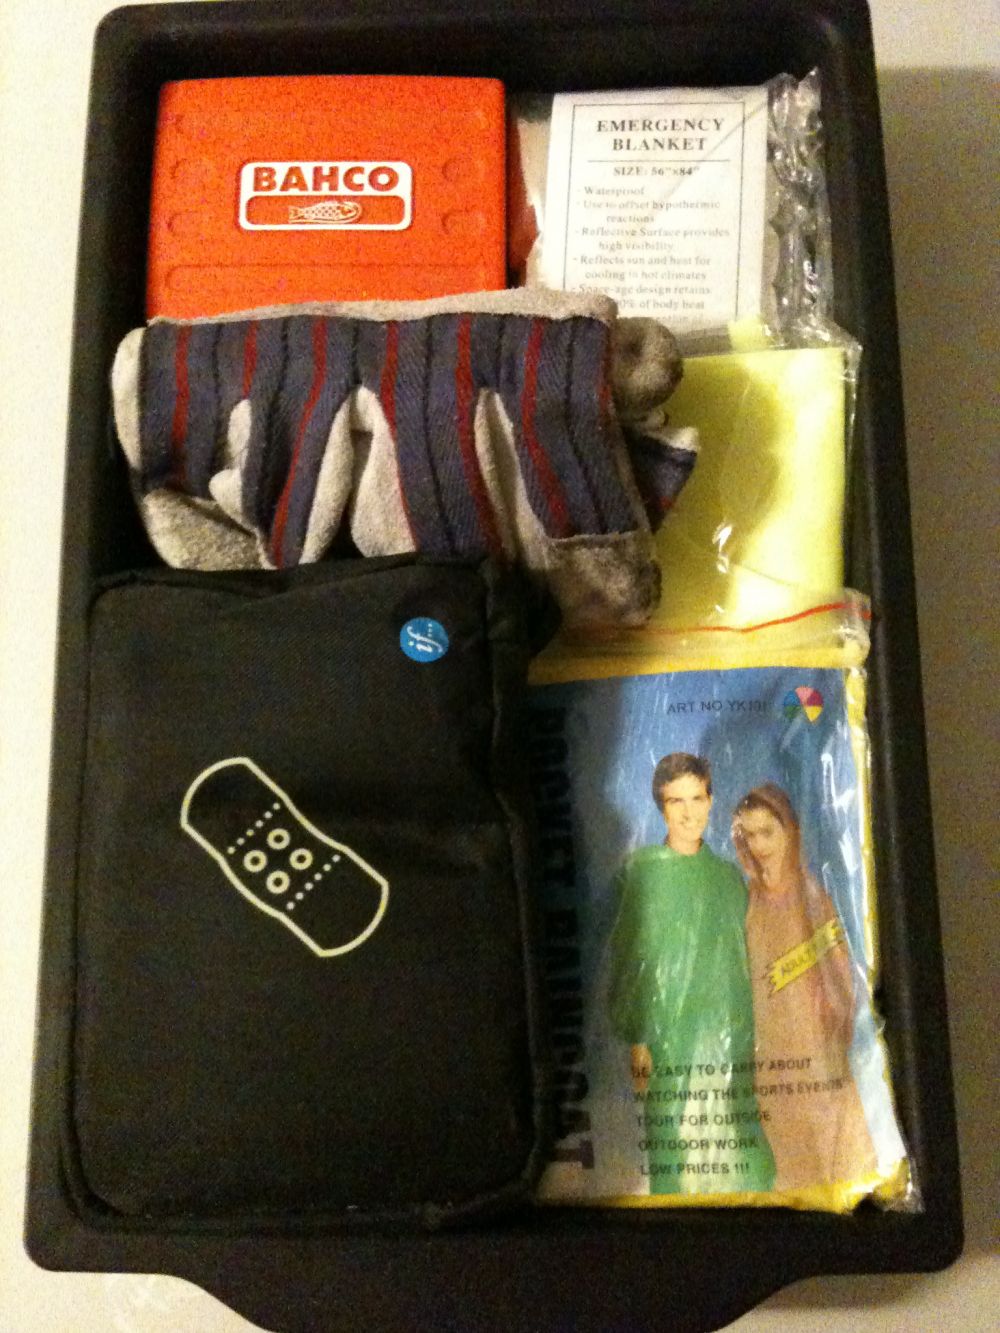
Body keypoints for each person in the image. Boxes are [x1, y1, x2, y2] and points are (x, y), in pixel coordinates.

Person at [606, 754, 775, 1195]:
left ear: (711, 800)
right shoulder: (641, 872)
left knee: (732, 1134)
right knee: (672, 1141)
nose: (688, 813)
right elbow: (627, 957)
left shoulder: (728, 879)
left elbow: (743, 960)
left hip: (726, 1031)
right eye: (675, 801)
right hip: (668, 1036)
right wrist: (638, 1037)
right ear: (660, 807)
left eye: (696, 798)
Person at [732, 783, 878, 1189]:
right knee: (790, 1163)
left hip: (816, 1054)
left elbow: (840, 973)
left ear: (789, 831)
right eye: (751, 835)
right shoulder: (747, 903)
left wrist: (829, 1030)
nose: (760, 845)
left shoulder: (812, 895)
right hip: (770, 1059)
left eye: (768, 832)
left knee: (838, 1155)